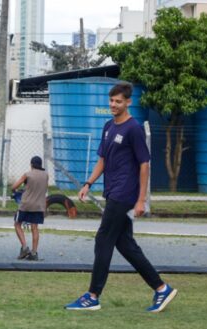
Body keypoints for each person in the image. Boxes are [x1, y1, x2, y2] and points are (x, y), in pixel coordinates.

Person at [66, 82, 177, 312]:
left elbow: (144, 164)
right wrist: (88, 183)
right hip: (112, 191)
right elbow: (103, 160)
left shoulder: (133, 129)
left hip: (124, 193)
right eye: (111, 101)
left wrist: (140, 199)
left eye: (118, 101)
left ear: (128, 102)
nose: (113, 105)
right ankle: (161, 288)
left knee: (103, 239)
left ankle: (92, 295)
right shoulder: (108, 127)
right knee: (125, 245)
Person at [11, 156, 49, 261]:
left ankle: (24, 247)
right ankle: (34, 252)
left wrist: (20, 189)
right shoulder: (46, 175)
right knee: (34, 228)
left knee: (17, 223)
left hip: (26, 205)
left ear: (31, 164)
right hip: (39, 205)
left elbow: (14, 186)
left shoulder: (27, 175)